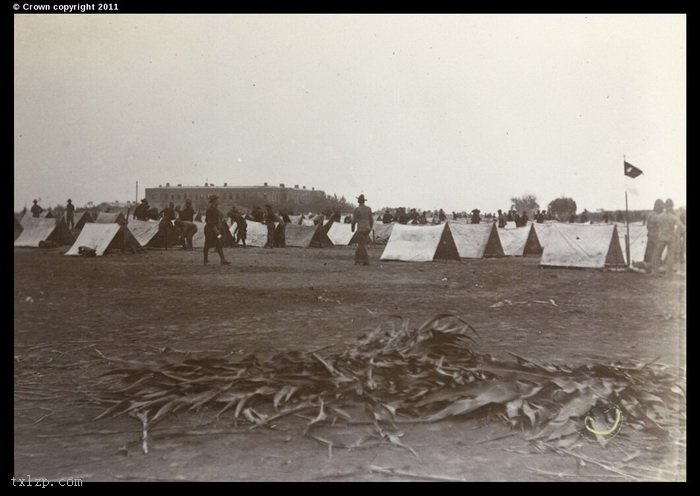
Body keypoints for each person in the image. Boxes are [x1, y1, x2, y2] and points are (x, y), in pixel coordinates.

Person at [651, 199, 684, 276]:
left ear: (665, 206)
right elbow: (680, 226)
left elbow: (653, 223)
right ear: (671, 206)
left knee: (657, 254)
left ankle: (655, 271)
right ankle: (669, 273)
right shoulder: (673, 217)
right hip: (671, 238)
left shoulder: (659, 216)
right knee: (670, 255)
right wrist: (677, 232)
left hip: (661, 237)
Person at [203, 195, 231, 265]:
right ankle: (205, 260)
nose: (218, 201)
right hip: (210, 230)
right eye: (217, 200)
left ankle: (223, 260)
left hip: (216, 230)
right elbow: (209, 221)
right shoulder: (210, 210)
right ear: (213, 201)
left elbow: (219, 219)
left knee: (219, 243)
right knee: (207, 244)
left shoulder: (216, 209)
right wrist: (216, 230)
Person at [351, 194, 373, 265]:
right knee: (361, 243)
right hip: (367, 228)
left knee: (361, 245)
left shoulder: (357, 209)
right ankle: (356, 260)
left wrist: (352, 229)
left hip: (360, 229)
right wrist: (370, 228)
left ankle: (366, 261)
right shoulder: (369, 209)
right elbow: (371, 220)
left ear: (358, 201)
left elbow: (354, 220)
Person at [643, 199, 664, 267]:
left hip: (651, 235)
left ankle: (647, 263)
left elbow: (648, 226)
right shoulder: (656, 216)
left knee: (649, 251)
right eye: (661, 207)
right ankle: (654, 265)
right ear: (657, 206)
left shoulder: (650, 214)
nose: (662, 209)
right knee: (656, 251)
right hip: (655, 236)